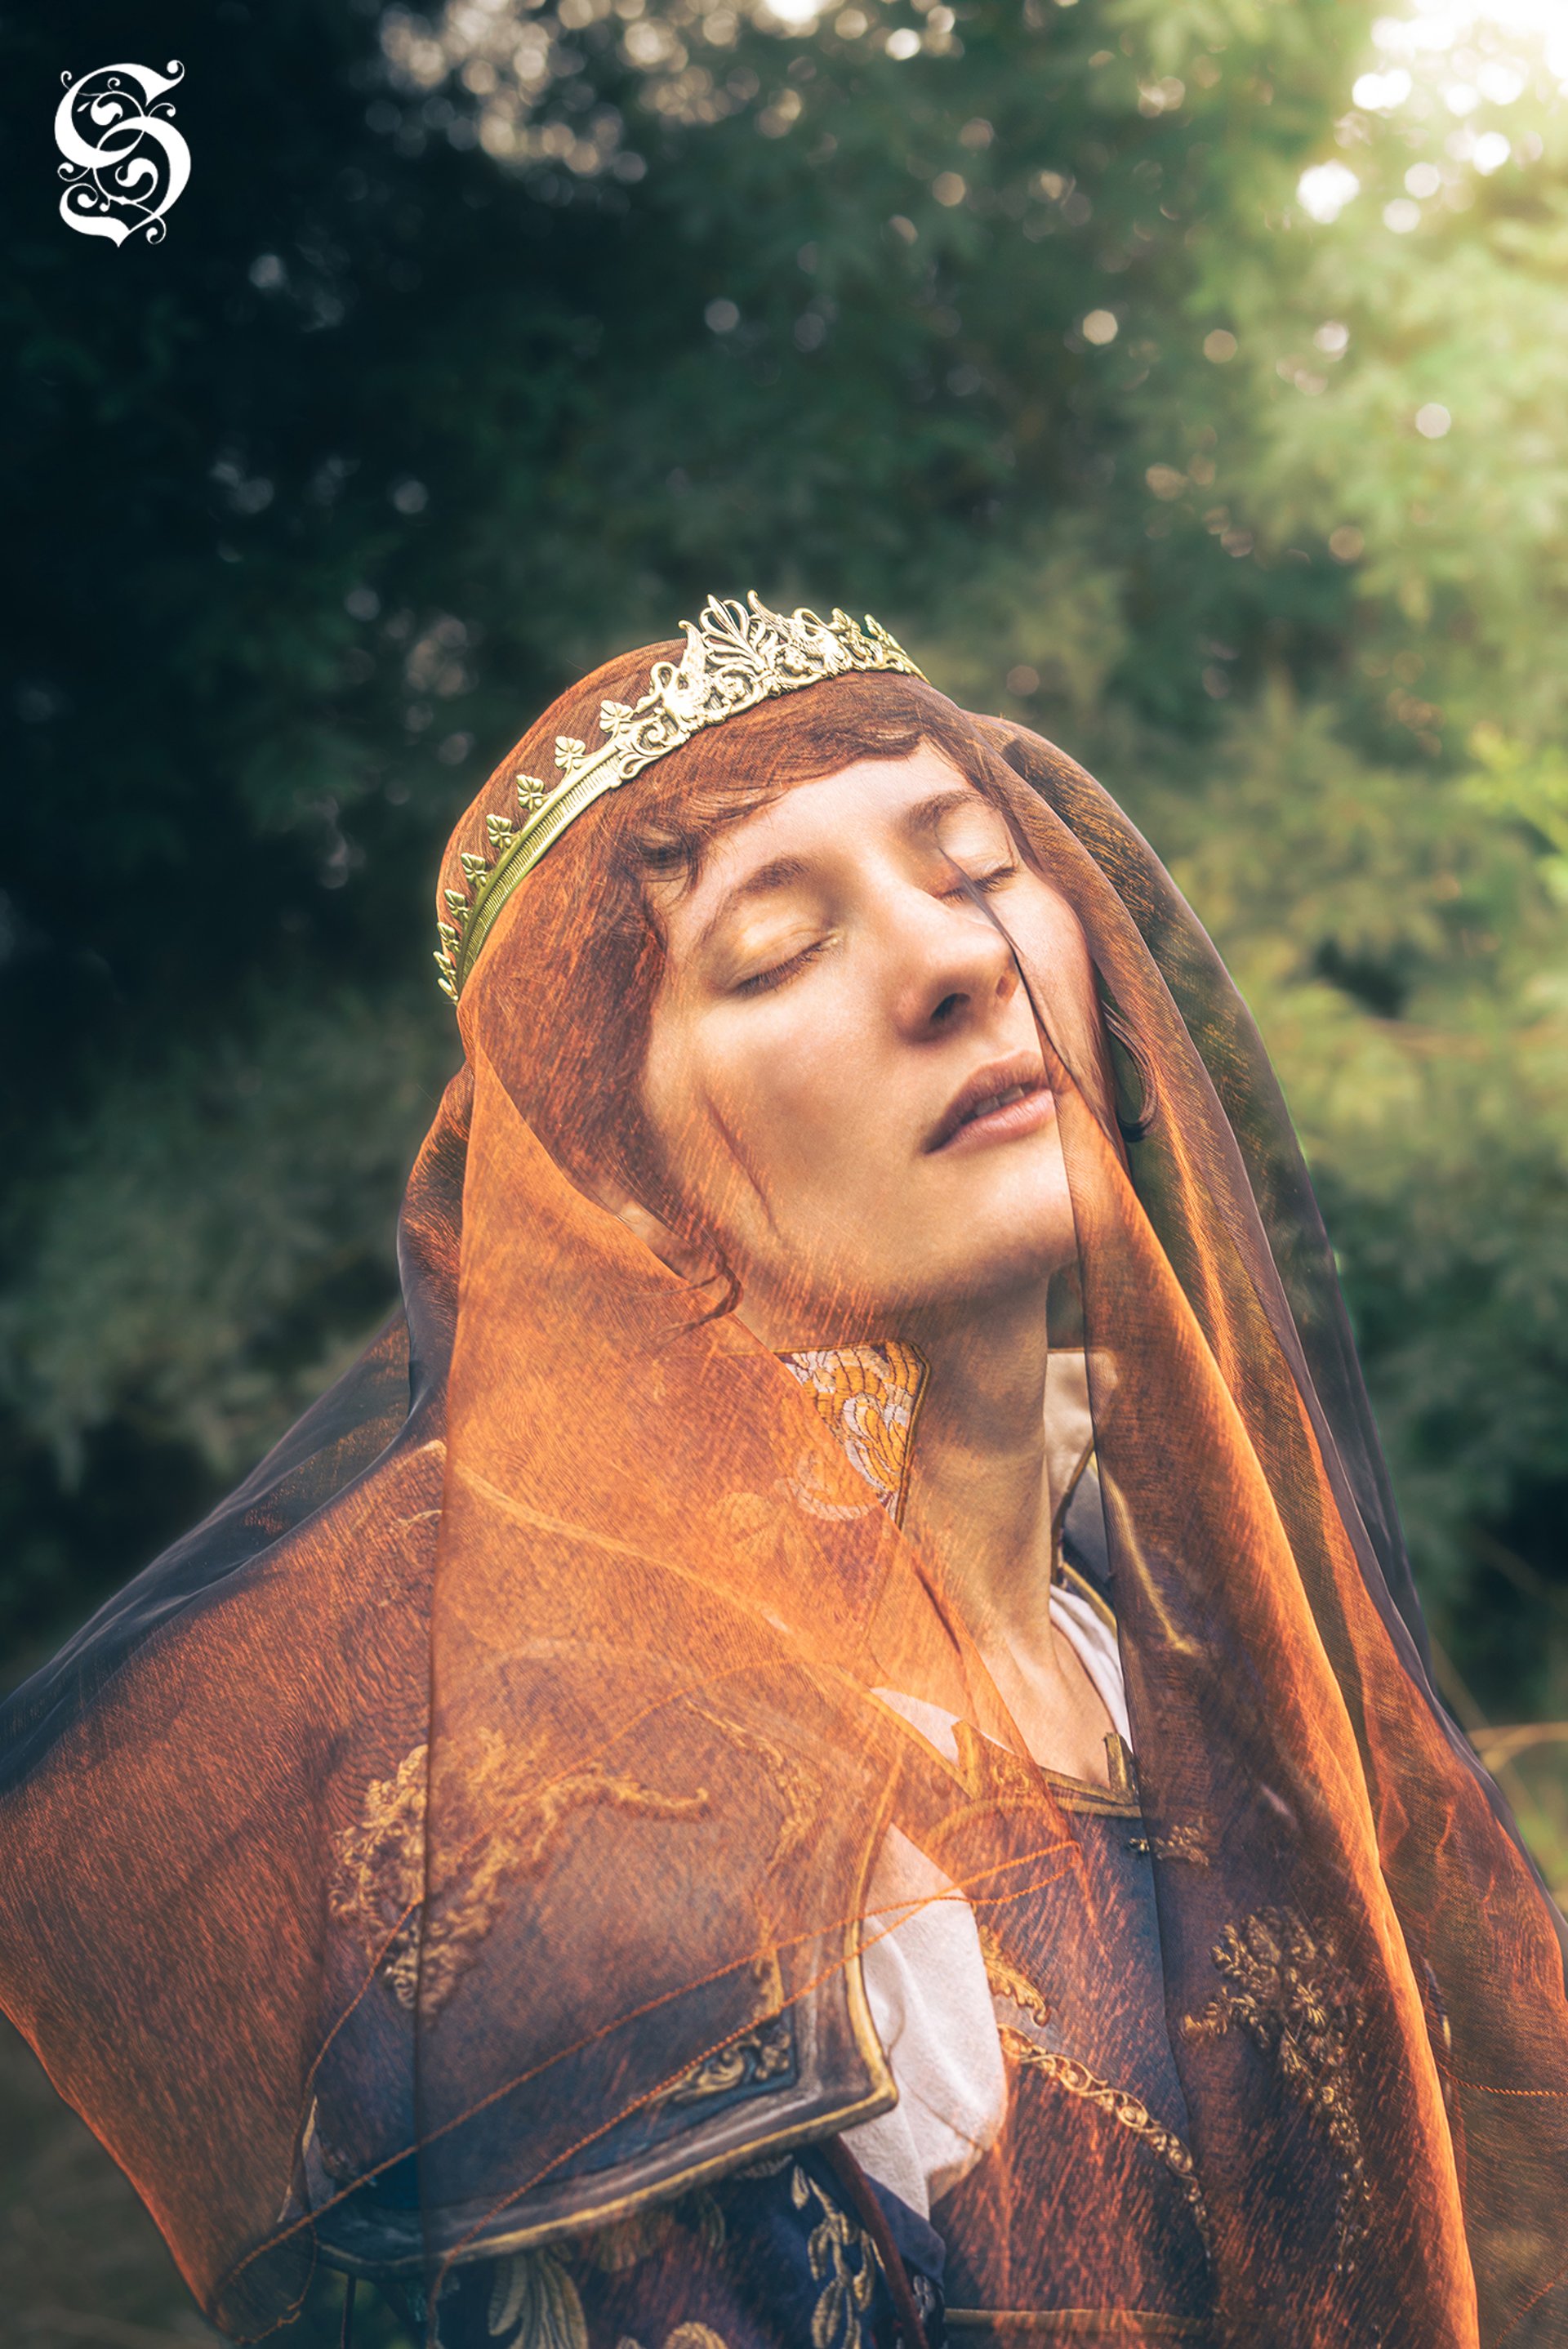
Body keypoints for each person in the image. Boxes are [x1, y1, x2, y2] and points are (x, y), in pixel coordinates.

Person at [2, 595, 1566, 2349]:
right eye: (769, 951)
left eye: (974, 865)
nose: (955, 963)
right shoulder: (628, 1879)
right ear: (626, 1196)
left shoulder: (1180, 1648)